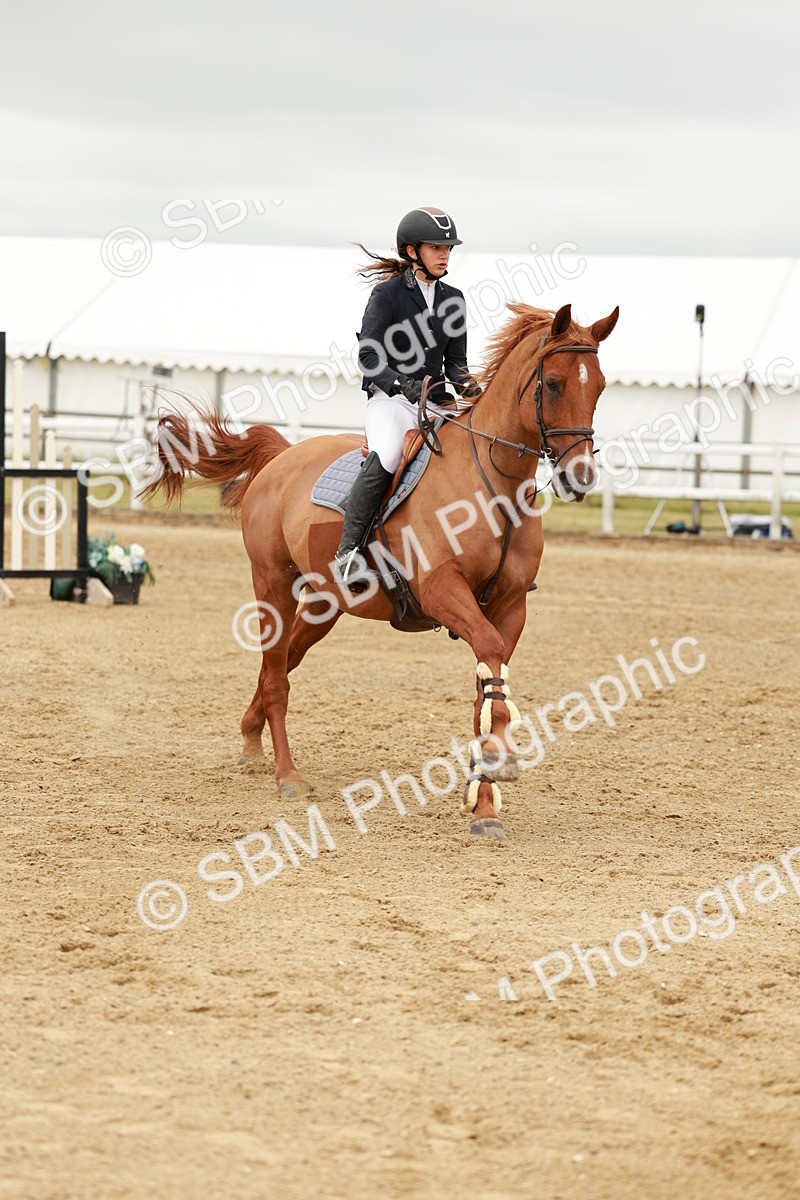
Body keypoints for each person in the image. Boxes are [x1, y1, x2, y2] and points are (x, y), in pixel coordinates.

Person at [333, 206, 481, 592]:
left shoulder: (454, 299)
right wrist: (402, 385)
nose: (445, 254)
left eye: (448, 247)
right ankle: (348, 553)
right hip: (392, 400)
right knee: (388, 454)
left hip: (436, 401)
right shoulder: (388, 294)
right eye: (436, 247)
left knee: (477, 451)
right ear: (412, 251)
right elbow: (369, 356)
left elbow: (457, 364)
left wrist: (473, 390)